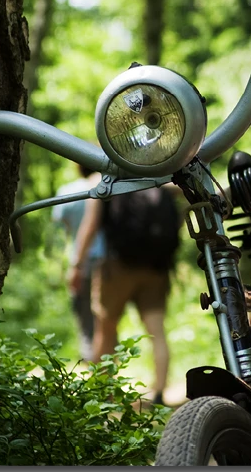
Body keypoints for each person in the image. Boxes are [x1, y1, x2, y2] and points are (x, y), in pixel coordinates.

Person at [67, 185, 182, 406]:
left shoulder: (108, 184)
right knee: (157, 331)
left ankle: (103, 392)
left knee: (106, 329)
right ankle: (159, 392)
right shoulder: (159, 182)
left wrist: (77, 265)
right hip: (156, 268)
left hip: (116, 266)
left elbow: (90, 227)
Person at [52, 165, 105, 361]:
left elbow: (61, 233)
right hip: (108, 259)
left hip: (81, 260)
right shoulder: (108, 188)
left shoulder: (66, 192)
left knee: (83, 311)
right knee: (105, 314)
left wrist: (63, 267)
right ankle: (107, 358)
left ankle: (90, 356)